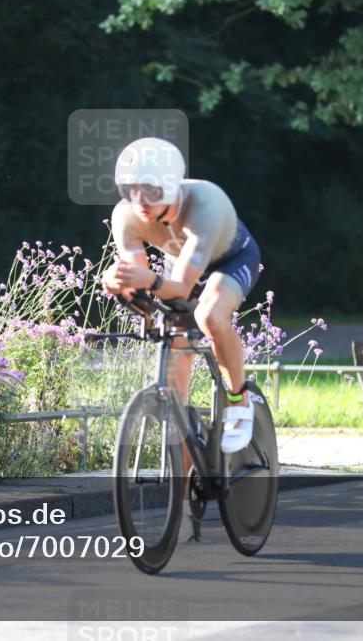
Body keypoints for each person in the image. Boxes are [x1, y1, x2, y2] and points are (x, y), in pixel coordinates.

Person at [101, 137, 260, 454]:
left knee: (208, 315)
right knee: (177, 408)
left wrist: (150, 281)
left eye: (152, 191)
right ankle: (185, 498)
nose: (140, 200)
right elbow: (142, 282)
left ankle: (238, 399)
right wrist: (118, 283)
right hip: (181, 266)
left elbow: (183, 288)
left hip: (230, 261)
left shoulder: (206, 204)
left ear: (173, 187)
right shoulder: (125, 216)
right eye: (130, 190)